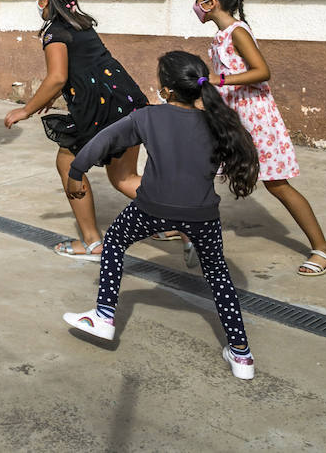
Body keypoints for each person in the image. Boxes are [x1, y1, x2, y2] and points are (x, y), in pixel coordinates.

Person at [61, 51, 261, 380]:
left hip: (150, 208)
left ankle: (103, 317)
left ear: (166, 90)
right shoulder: (218, 120)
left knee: (113, 242)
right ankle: (241, 355)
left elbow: (105, 139)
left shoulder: (148, 117)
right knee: (219, 277)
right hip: (202, 216)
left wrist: (77, 171)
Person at [194, 0, 326, 276]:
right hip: (228, 117)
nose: (195, 6)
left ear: (211, 3)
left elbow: (262, 71)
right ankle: (186, 233)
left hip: (255, 119)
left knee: (276, 184)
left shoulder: (237, 32)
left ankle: (322, 249)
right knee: (199, 174)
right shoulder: (220, 35)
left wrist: (221, 79)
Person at [4, 0, 149, 260]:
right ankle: (180, 222)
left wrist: (27, 109)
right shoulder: (81, 24)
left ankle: (93, 242)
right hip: (127, 100)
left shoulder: (54, 32)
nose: (37, 1)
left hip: (99, 108)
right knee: (124, 177)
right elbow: (84, 68)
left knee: (68, 163)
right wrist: (54, 96)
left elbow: (57, 77)